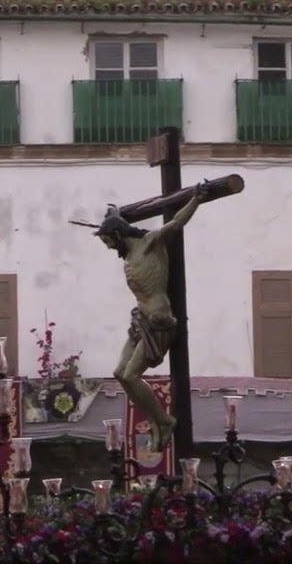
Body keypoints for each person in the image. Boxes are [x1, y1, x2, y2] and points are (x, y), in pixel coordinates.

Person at [92, 181, 211, 452]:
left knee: (132, 375)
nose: (110, 248)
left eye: (110, 241)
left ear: (120, 235)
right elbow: (114, 218)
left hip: (159, 320)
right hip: (140, 320)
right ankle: (156, 420)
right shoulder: (129, 256)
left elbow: (176, 223)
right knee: (120, 373)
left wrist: (196, 200)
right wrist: (113, 212)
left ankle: (164, 421)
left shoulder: (150, 244)